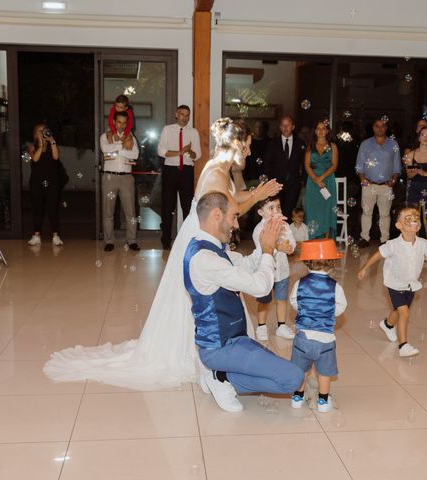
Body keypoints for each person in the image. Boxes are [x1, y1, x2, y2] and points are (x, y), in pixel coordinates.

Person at [44, 118, 282, 390]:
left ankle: (206, 349)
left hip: (202, 236)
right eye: (248, 147)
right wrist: (258, 195)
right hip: (200, 239)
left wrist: (254, 192)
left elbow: (233, 199)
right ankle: (189, 353)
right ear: (237, 144)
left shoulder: (221, 168)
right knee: (198, 297)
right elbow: (227, 211)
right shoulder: (217, 171)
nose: (249, 153)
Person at [187, 192, 304, 412]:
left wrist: (268, 246)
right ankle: (221, 377)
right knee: (294, 378)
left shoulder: (210, 248)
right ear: (216, 215)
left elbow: (247, 264)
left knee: (275, 368)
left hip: (233, 341)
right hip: (219, 348)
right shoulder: (205, 259)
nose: (236, 224)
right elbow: (260, 287)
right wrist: (268, 250)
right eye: (233, 217)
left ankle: (221, 376)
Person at [358, 204, 427, 357]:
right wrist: (364, 268)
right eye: (408, 219)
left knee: (399, 311)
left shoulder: (423, 244)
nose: (414, 222)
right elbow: (378, 254)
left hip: (411, 284)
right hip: (394, 283)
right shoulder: (392, 245)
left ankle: (387, 324)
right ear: (398, 225)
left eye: (416, 219)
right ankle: (403, 346)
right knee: (404, 313)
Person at [289, 239, 346, 412]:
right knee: (324, 373)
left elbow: (294, 302)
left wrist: (306, 311)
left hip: (302, 338)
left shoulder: (299, 283)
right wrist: (327, 313)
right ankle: (322, 402)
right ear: (332, 264)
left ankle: (297, 399)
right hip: (325, 340)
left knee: (301, 371)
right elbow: (342, 306)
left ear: (306, 263)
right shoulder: (335, 287)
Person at [252, 196, 296, 341]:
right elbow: (263, 247)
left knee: (281, 299)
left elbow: (292, 241)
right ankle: (261, 326)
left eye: (278, 207)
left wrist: (290, 247)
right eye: (271, 208)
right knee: (264, 300)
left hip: (282, 270)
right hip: (265, 270)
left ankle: (281, 325)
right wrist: (278, 247)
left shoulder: (284, 225)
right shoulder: (259, 229)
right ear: (260, 212)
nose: (276, 210)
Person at [157, 105, 201, 250]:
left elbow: (197, 155)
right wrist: (180, 152)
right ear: (176, 114)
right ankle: (166, 240)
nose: (185, 117)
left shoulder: (193, 132)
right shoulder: (167, 129)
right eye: (182, 114)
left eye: (187, 115)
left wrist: (189, 152)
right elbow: (161, 151)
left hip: (186, 171)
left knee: (187, 207)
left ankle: (188, 239)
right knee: (168, 206)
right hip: (170, 170)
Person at [355, 117, 402, 247]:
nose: (379, 128)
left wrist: (394, 180)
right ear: (373, 128)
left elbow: (397, 165)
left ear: (386, 128)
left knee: (385, 214)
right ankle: (364, 238)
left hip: (386, 186)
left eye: (382, 126)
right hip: (368, 184)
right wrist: (363, 181)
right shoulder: (365, 144)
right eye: (377, 126)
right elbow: (359, 165)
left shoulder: (393, 144)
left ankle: (384, 240)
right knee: (366, 212)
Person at [100, 110, 140, 252]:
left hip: (126, 178)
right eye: (119, 122)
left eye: (124, 123)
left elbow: (135, 154)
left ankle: (132, 241)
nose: (121, 126)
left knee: (130, 212)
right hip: (109, 177)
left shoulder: (131, 138)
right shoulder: (105, 136)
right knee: (108, 212)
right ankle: (109, 241)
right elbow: (105, 149)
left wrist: (117, 150)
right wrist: (123, 147)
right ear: (114, 122)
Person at [27, 123, 64, 246]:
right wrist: (41, 145)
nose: (42, 132)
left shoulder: (52, 145)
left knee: (53, 208)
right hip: (36, 183)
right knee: (37, 208)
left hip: (52, 182)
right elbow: (35, 159)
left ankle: (56, 235)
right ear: (35, 133)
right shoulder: (32, 146)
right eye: (39, 130)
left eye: (44, 130)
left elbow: (56, 157)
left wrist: (52, 141)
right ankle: (36, 235)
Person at [264, 115, 306, 220]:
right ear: (280, 127)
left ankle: (286, 234)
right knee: (275, 211)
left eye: (288, 125)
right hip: (276, 184)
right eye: (283, 125)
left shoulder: (300, 143)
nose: (285, 128)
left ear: (293, 127)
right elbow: (267, 164)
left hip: (293, 184)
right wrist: (269, 182)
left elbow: (304, 164)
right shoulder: (272, 143)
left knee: (288, 212)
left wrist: (303, 182)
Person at [404, 127, 427, 241]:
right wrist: (413, 172)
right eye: (423, 135)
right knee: (413, 217)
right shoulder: (411, 155)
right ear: (419, 137)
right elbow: (409, 175)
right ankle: (412, 245)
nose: (425, 138)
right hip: (415, 188)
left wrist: (423, 172)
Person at [303, 120, 339, 239]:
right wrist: (315, 179)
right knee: (312, 210)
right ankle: (313, 239)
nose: (321, 131)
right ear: (315, 131)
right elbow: (307, 165)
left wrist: (321, 178)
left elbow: (334, 165)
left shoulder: (333, 146)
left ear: (327, 131)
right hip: (313, 182)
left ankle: (326, 240)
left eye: (323, 128)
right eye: (318, 128)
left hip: (327, 181)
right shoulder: (310, 146)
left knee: (327, 210)